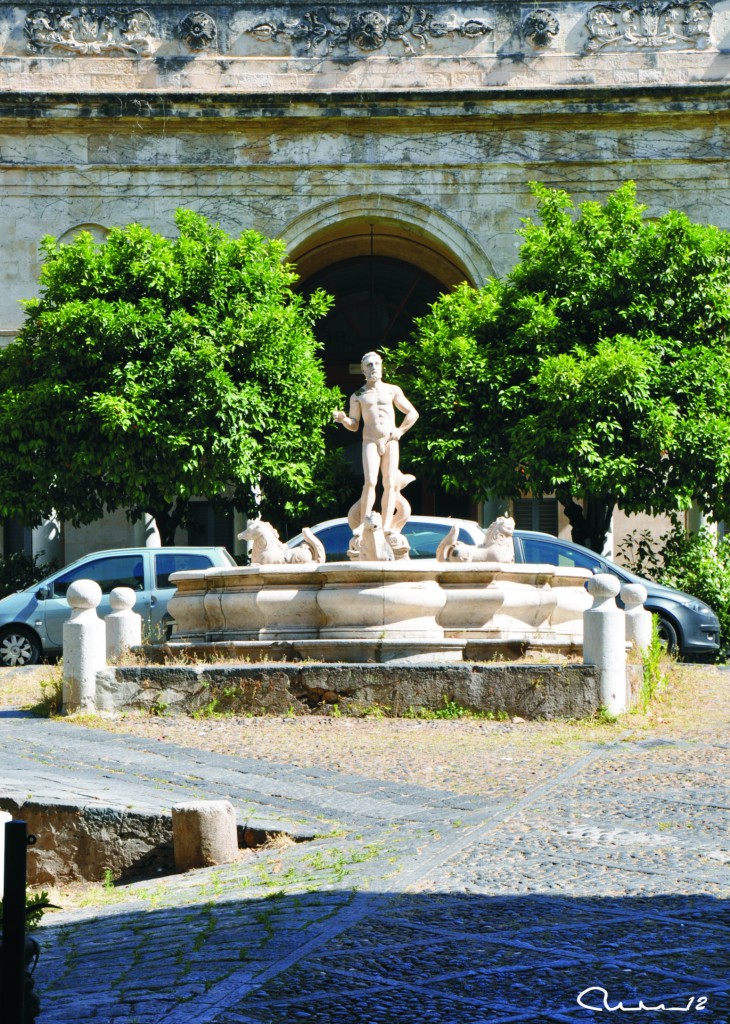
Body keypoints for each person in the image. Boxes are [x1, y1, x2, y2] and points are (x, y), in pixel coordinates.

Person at [333, 351, 418, 533]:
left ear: (381, 367)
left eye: (376, 364)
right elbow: (354, 425)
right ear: (363, 370)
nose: (374, 368)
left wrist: (400, 430)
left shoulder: (392, 390)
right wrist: (343, 419)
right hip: (370, 440)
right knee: (370, 481)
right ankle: (365, 523)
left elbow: (412, 413)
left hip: (389, 440)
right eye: (369, 365)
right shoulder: (358, 395)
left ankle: (387, 525)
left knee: (388, 482)